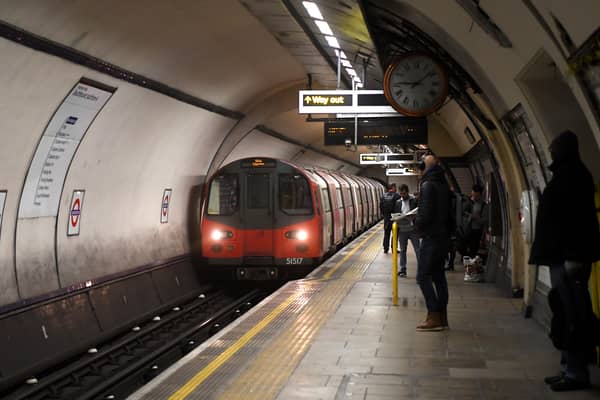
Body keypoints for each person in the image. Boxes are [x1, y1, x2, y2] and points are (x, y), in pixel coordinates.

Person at [529, 131, 600, 391]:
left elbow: (576, 223)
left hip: (569, 258)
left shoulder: (573, 177)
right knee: (566, 311)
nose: (550, 152)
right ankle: (568, 366)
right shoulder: (571, 174)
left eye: (554, 148)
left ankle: (576, 372)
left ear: (563, 150)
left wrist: (572, 257)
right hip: (563, 256)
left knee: (573, 315)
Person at [415, 154, 453, 331]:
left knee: (422, 276)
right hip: (443, 237)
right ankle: (443, 317)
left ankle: (433, 315)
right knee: (439, 277)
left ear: (424, 167)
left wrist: (414, 222)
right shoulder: (444, 184)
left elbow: (426, 215)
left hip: (431, 237)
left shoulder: (427, 185)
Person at [393, 184, 419, 277]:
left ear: (407, 192)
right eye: (401, 194)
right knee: (403, 250)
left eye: (404, 193)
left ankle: (421, 270)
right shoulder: (398, 202)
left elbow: (418, 212)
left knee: (418, 250)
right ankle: (403, 269)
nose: (402, 195)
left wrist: (414, 217)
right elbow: (396, 214)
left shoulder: (414, 200)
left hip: (413, 230)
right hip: (402, 230)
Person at [460, 184, 488, 258]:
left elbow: (484, 220)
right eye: (473, 195)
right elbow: (461, 213)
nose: (474, 197)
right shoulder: (466, 201)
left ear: (480, 195)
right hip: (465, 229)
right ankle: (467, 257)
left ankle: (470, 263)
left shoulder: (483, 205)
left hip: (476, 230)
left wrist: (476, 218)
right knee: (460, 246)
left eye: (476, 196)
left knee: (473, 250)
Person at [380, 183, 400, 254]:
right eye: (395, 187)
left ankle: (385, 248)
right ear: (394, 188)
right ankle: (394, 248)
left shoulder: (383, 196)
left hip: (386, 218)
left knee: (386, 233)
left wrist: (385, 215)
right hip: (395, 217)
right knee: (395, 234)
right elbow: (399, 207)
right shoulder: (397, 196)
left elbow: (381, 207)